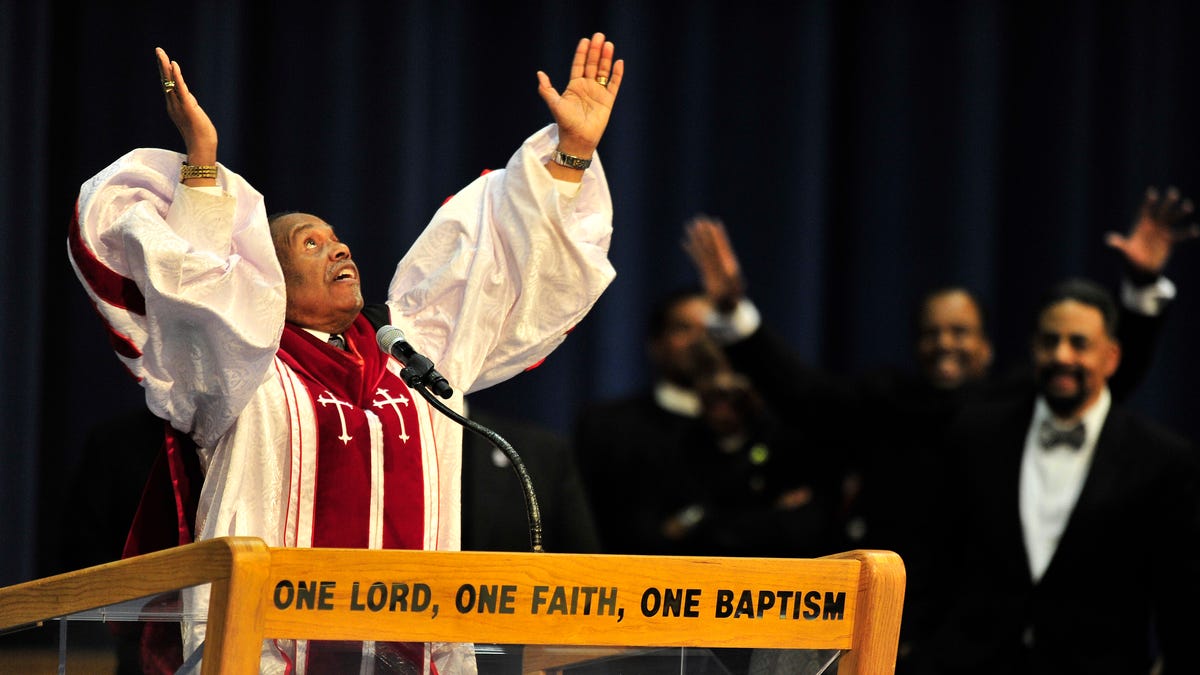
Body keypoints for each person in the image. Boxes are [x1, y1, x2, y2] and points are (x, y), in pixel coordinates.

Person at [68, 34, 623, 675]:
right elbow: (194, 291)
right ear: (266, 279)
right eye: (311, 243)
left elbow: (501, 264)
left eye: (338, 240)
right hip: (271, 657)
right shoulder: (244, 371)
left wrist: (572, 155)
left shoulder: (416, 359)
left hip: (417, 659)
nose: (340, 250)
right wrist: (202, 163)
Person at [920, 278, 1200, 674]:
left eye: (1079, 343)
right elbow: (938, 562)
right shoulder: (977, 434)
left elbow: (1180, 602)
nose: (1061, 356)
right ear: (1033, 349)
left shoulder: (1161, 459)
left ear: (1112, 357)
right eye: (1049, 341)